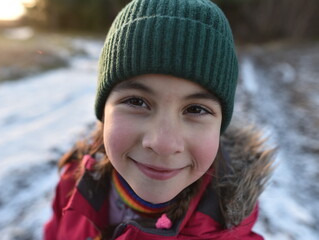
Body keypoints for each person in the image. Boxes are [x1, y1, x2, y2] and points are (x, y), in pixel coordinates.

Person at [44, 0, 275, 239]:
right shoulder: (73, 184)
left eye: (195, 109)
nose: (163, 144)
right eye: (136, 102)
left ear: (219, 127)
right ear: (104, 111)